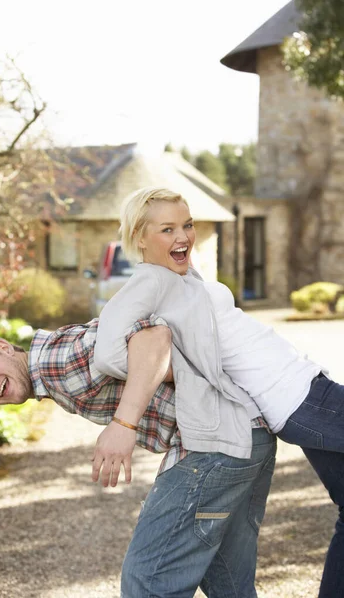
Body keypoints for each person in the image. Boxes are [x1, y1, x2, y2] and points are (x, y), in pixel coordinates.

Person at [93, 186, 344, 598]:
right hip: (297, 398)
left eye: (187, 225)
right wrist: (184, 371)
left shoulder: (180, 276)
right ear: (139, 237)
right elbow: (109, 353)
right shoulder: (148, 282)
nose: (183, 237)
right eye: (167, 229)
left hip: (303, 392)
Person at [0, 316, 275, 597]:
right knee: (226, 577)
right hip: (248, 435)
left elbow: (153, 334)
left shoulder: (55, 361)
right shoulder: (52, 367)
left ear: (4, 346)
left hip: (216, 442)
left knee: (147, 578)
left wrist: (124, 423)